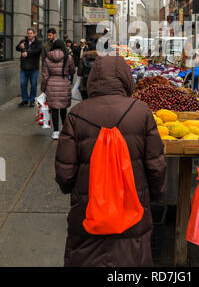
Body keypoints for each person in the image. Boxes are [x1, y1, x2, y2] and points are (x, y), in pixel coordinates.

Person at [55, 55, 167, 267]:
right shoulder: (141, 111)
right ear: (126, 78)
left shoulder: (76, 114)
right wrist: (153, 196)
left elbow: (64, 174)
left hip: (88, 216)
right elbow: (156, 166)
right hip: (132, 215)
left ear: (93, 79)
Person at [41, 39, 75, 140]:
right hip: (64, 83)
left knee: (54, 109)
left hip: (51, 85)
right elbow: (72, 71)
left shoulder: (48, 58)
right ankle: (64, 129)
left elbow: (45, 76)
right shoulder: (68, 57)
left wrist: (43, 88)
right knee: (63, 108)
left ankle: (55, 132)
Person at [16, 28, 42, 107]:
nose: (29, 35)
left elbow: (37, 51)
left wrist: (26, 52)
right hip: (24, 68)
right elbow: (17, 48)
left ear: (35, 34)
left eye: (31, 33)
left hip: (34, 68)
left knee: (33, 85)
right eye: (28, 33)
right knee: (23, 84)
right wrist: (21, 47)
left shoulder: (38, 42)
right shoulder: (24, 41)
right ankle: (25, 100)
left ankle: (31, 100)